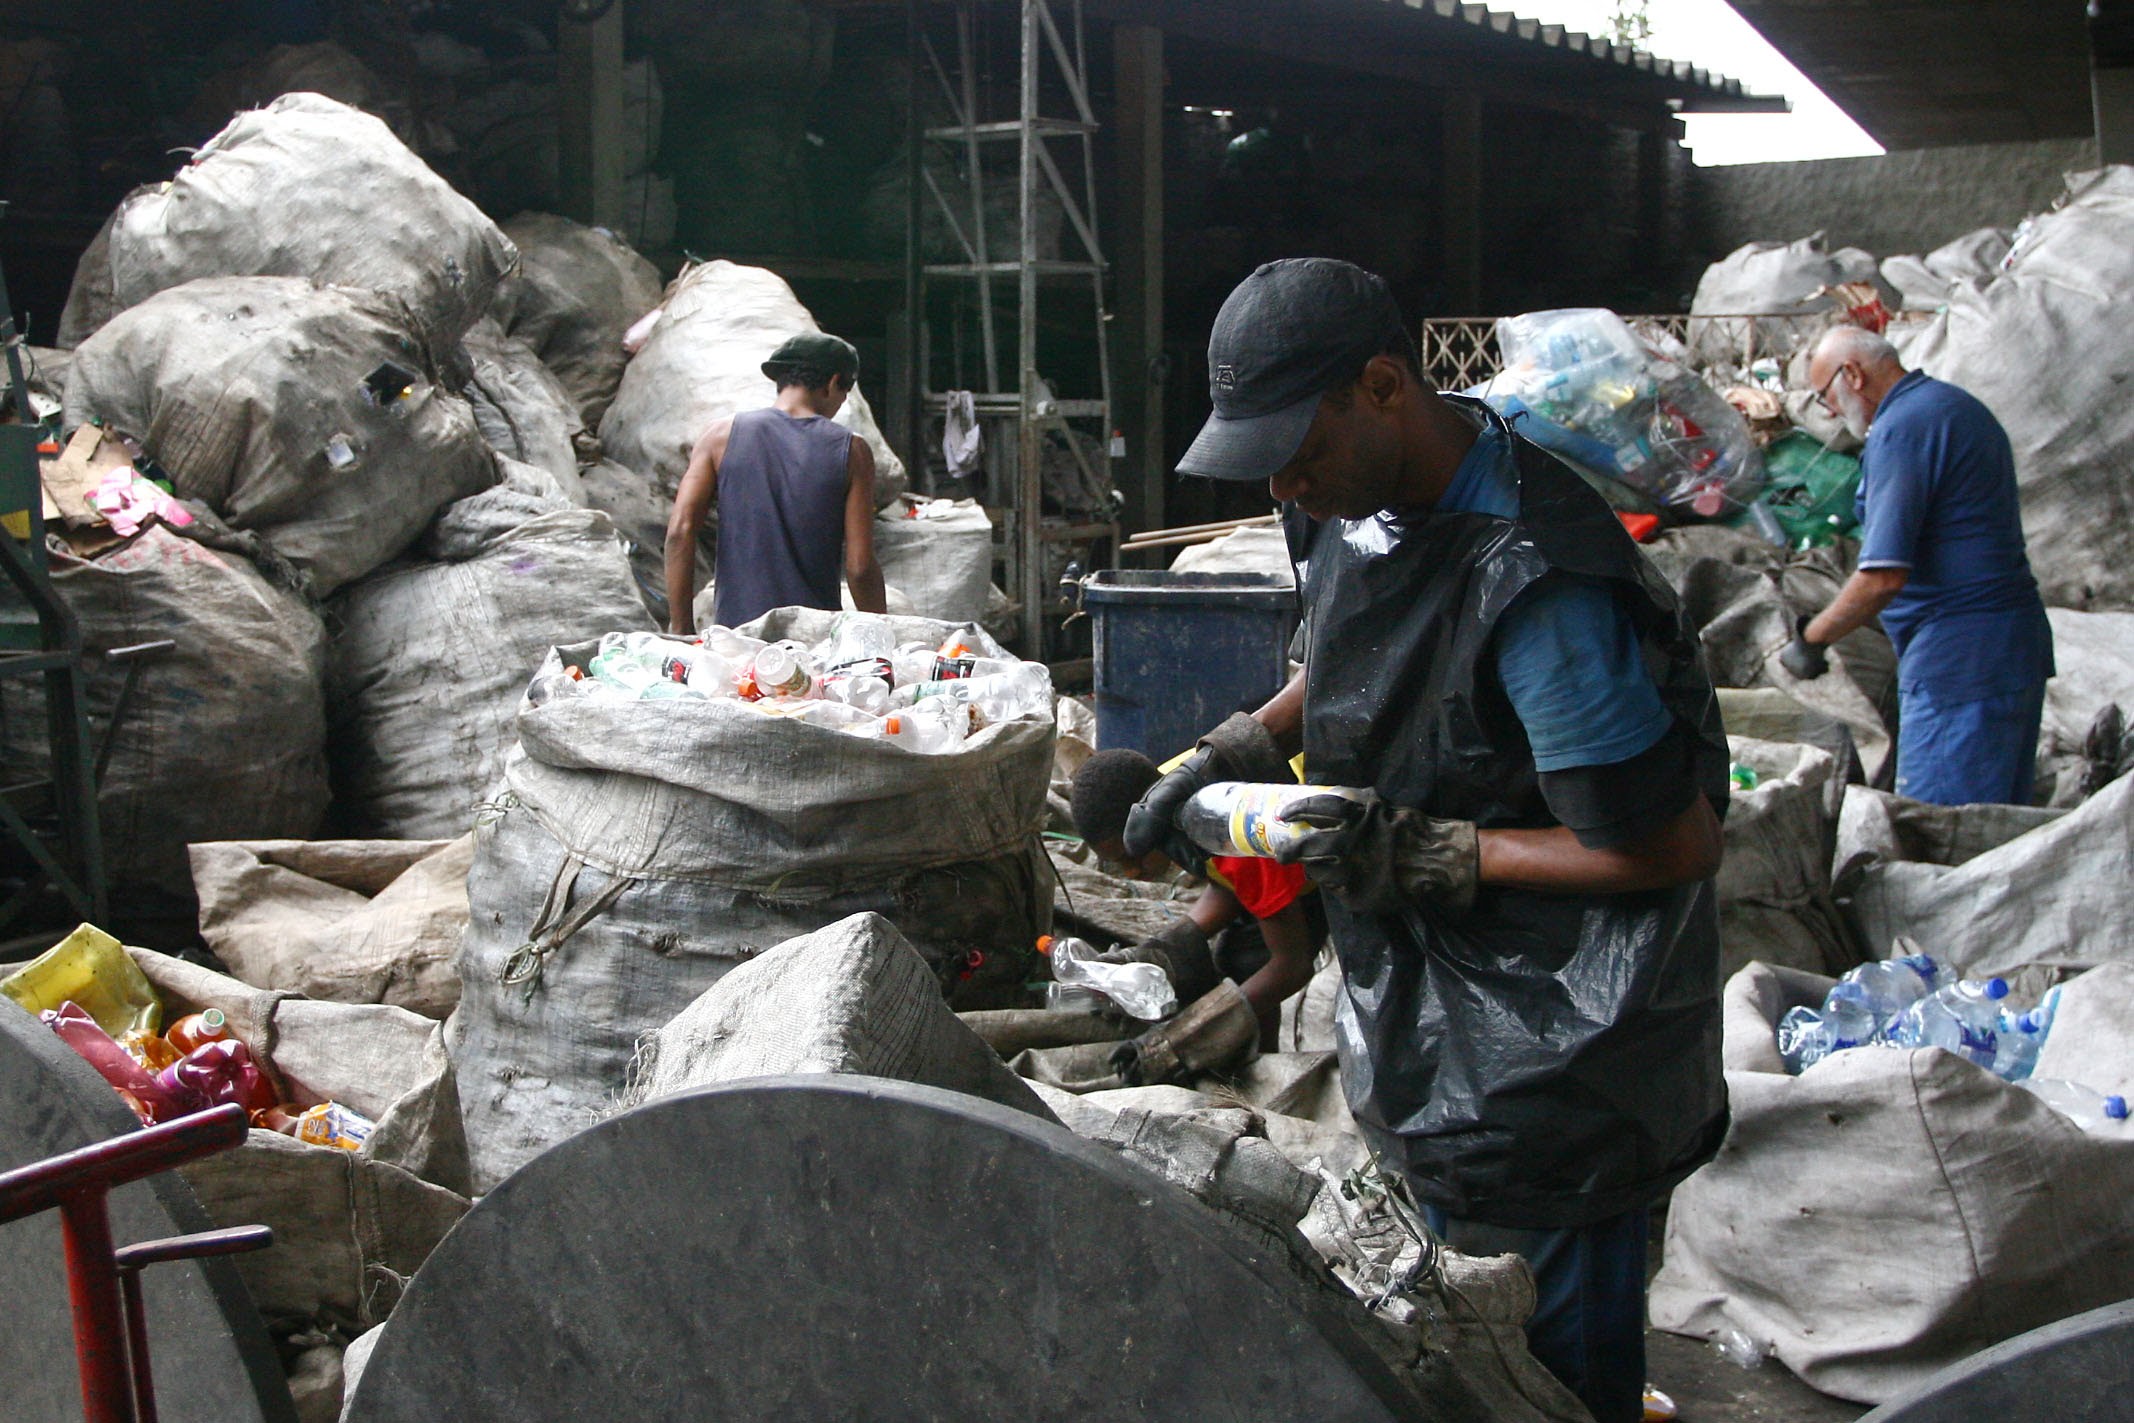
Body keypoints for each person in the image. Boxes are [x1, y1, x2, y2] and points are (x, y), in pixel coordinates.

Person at [1121, 258, 1730, 1423]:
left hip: (1561, 1055)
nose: (1289, 489)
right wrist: (1231, 746)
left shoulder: (1539, 585)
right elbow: (1352, 649)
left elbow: (1672, 845)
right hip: (1432, 1024)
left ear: (1384, 386)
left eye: (1300, 451)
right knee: (1459, 1356)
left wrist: (1436, 853)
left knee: (1548, 1375)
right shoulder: (1358, 507)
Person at [1784, 327, 2054, 805]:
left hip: (1960, 659)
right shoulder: (1952, 405)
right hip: (2009, 647)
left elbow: (1882, 576)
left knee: (1941, 831)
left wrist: (1812, 638)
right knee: (1996, 826)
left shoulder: (1902, 428)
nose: (1829, 412)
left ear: (1853, 374)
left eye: (1825, 396)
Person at [1068, 748, 1324, 1077]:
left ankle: (1265, 1067)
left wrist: (1183, 1038)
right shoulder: (1162, 791)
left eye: (1132, 857)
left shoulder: (1235, 832)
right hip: (1272, 851)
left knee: (1250, 967)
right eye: (1120, 865)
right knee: (1235, 959)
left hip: (1332, 846)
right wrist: (1154, 952)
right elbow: (1225, 882)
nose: (1131, 874)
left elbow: (1291, 966)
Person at [664, 331, 888, 634]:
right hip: (813, 638)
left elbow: (680, 531)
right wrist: (884, 634)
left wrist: (681, 628)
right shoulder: (852, 451)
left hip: (736, 636)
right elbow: (860, 568)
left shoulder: (718, 436)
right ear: (834, 383)